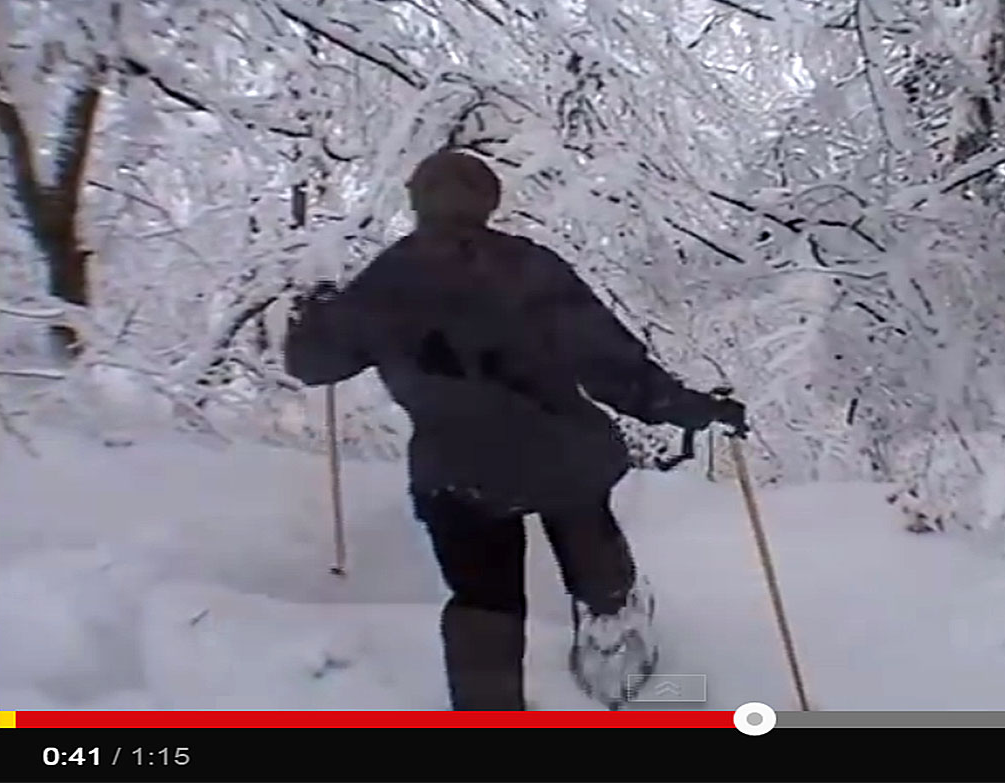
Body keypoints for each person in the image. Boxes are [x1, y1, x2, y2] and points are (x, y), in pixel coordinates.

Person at [282, 149, 748, 710]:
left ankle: (489, 712)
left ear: (415, 199)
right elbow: (611, 364)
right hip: (560, 452)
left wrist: (315, 312)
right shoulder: (529, 266)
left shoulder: (385, 281)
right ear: (489, 202)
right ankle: (614, 635)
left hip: (454, 468)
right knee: (586, 535)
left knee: (484, 603)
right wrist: (691, 407)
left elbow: (314, 365)